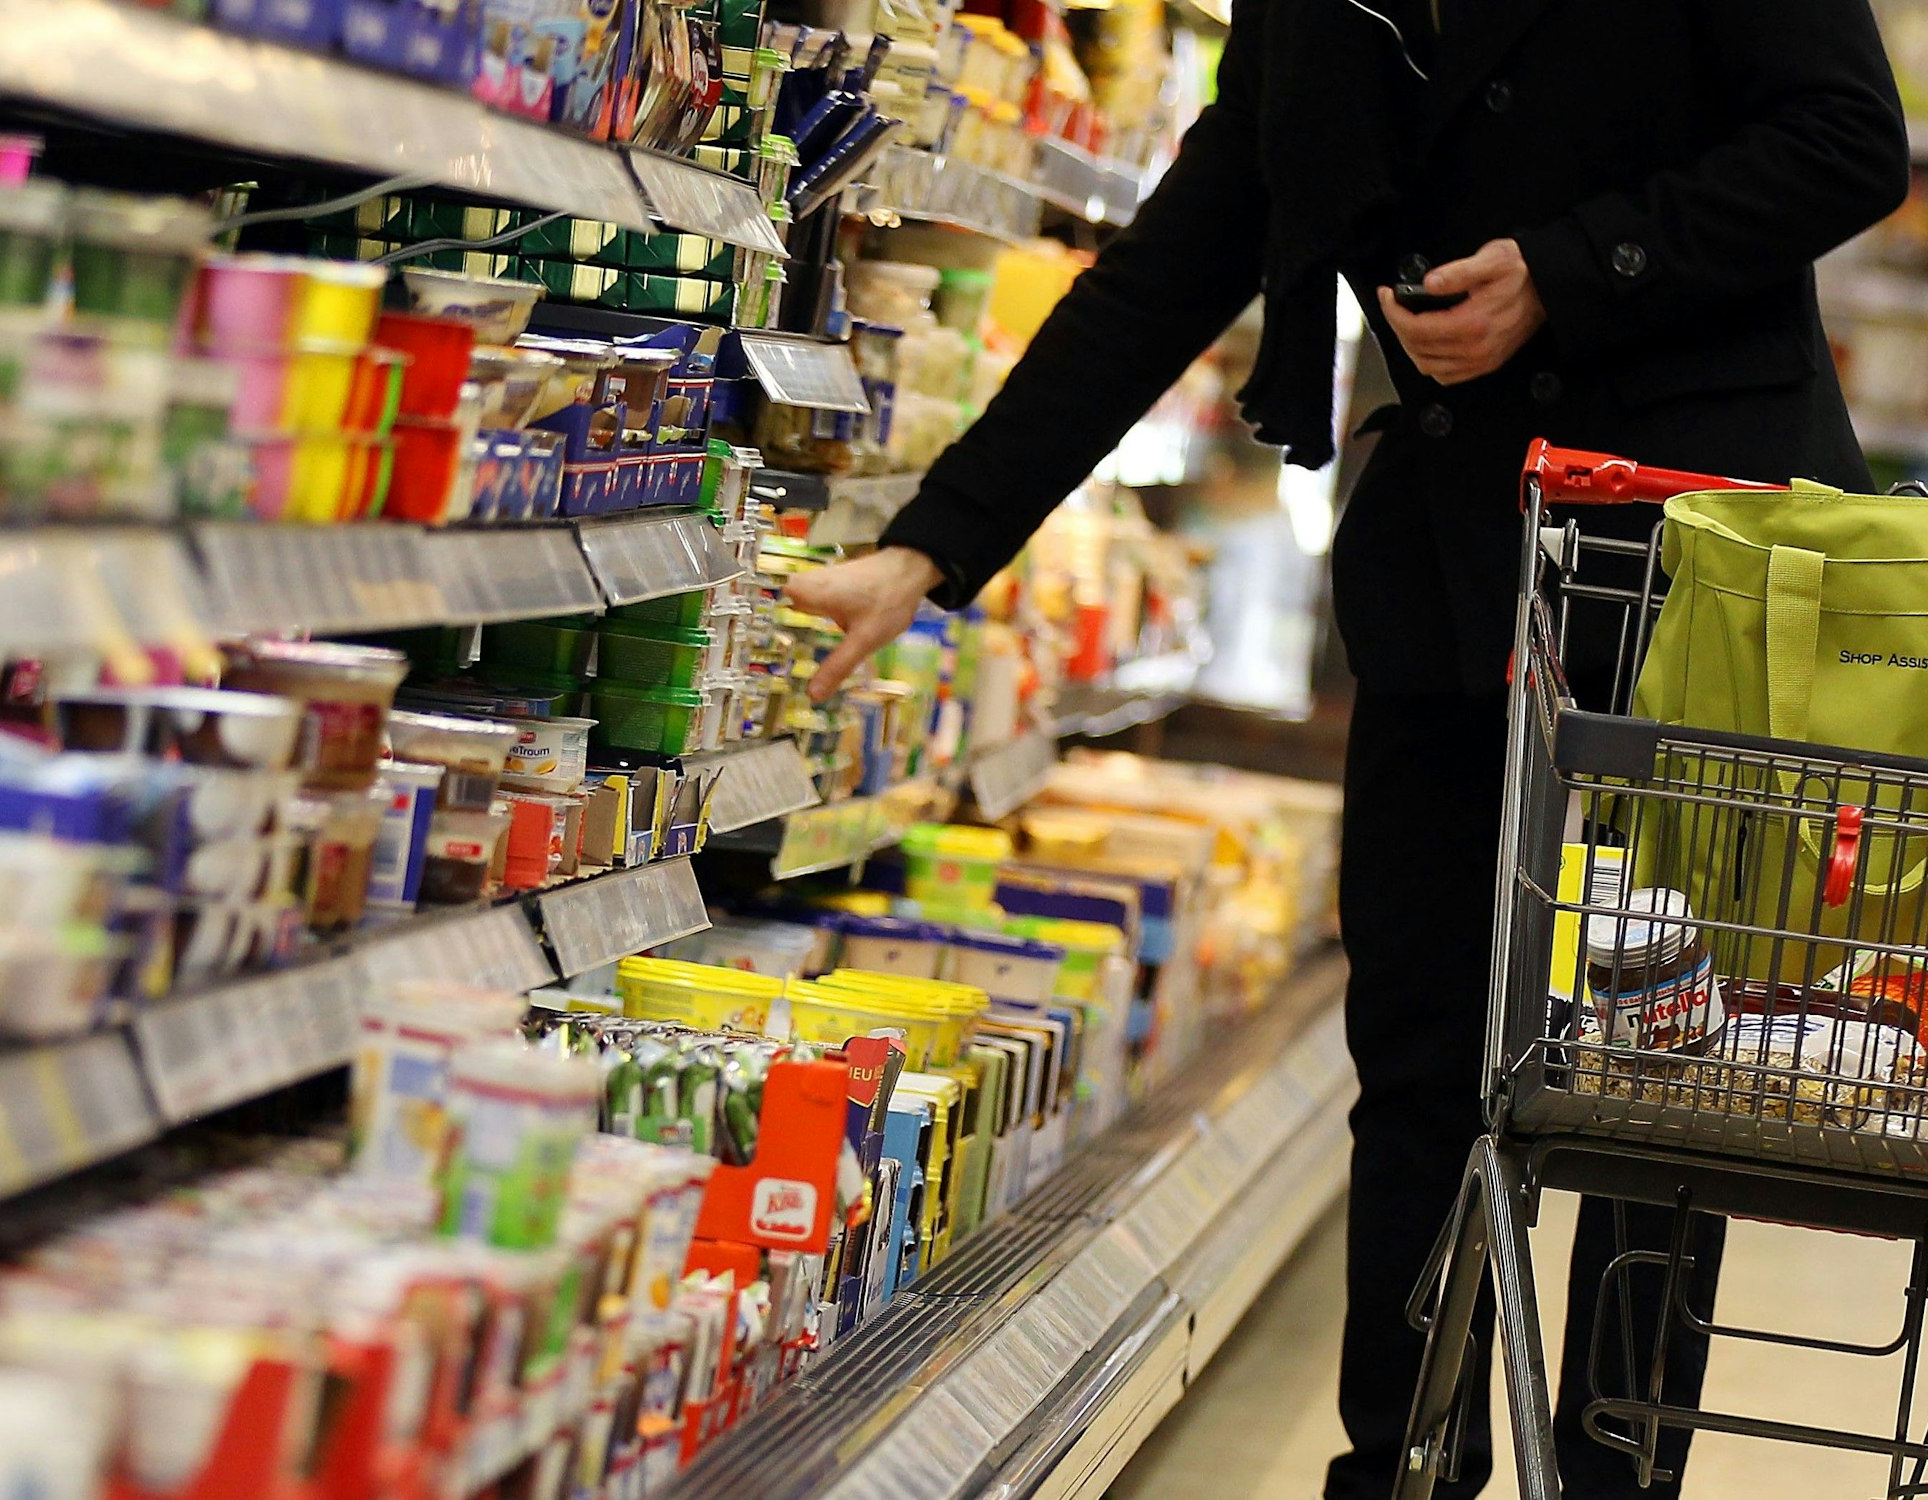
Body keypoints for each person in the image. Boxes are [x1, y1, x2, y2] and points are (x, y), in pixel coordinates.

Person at [784, 1, 1911, 1495]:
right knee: (1424, 1049)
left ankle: (1622, 1472)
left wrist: (1568, 274)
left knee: (1668, 1086)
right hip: (1456, 559)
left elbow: (1846, 142)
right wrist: (932, 546)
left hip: (1693, 558)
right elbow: (1187, 247)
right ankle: (1400, 1467)